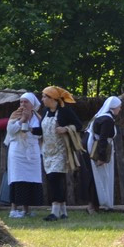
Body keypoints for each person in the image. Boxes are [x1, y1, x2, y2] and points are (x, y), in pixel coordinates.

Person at [40, 86, 83, 221]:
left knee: (55, 179)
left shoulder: (65, 111)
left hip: (60, 151)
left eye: (45, 96)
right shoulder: (45, 111)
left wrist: (65, 128)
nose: (43, 99)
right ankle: (63, 212)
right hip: (47, 151)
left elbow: (79, 125)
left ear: (53, 99)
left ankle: (55, 212)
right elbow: (42, 130)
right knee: (54, 180)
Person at [5, 92, 43, 218]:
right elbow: (10, 131)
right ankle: (14, 210)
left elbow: (42, 133)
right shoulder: (15, 115)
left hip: (32, 150)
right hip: (18, 151)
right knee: (17, 178)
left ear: (32, 104)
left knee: (30, 179)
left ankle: (27, 209)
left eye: (25, 102)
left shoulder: (38, 117)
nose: (23, 104)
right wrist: (22, 120)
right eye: (21, 102)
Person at [87, 95, 122, 212]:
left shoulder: (102, 117)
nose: (120, 109)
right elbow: (103, 139)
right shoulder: (107, 120)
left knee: (100, 176)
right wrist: (102, 157)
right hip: (101, 150)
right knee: (101, 176)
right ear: (113, 107)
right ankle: (98, 204)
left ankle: (101, 204)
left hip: (99, 148)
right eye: (119, 107)